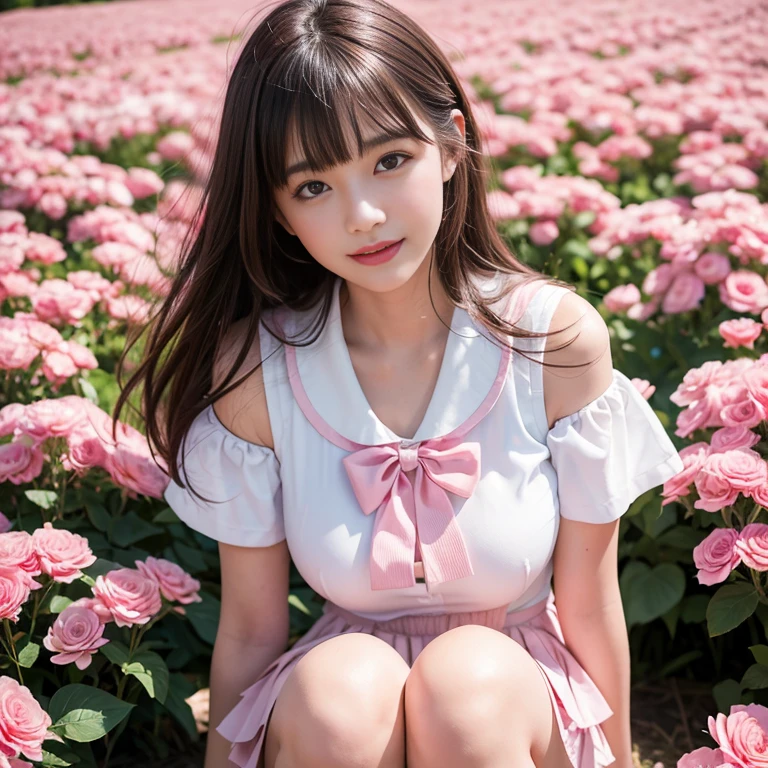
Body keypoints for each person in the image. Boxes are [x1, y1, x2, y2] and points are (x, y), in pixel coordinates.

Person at [115, 0, 684, 766]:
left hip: (514, 700)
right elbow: (252, 629)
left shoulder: (551, 341)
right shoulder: (258, 371)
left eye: (390, 160)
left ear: (451, 146)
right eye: (313, 186)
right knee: (341, 692)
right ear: (278, 211)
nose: (365, 215)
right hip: (340, 716)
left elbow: (588, 600)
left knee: (465, 685)